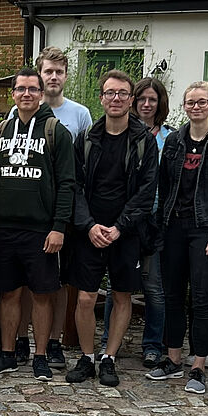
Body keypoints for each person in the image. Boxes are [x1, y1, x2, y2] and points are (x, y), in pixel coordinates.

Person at [147, 81, 208, 395]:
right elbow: (163, 185)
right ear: (184, 106)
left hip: (206, 229)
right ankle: (173, 359)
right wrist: (160, 227)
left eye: (202, 102)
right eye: (190, 102)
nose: (196, 107)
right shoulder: (175, 140)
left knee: (201, 299)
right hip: (174, 226)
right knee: (172, 296)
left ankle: (198, 366)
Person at [0, 67, 75, 381]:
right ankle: (7, 353)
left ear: (41, 93)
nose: (26, 94)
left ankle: (40, 356)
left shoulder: (55, 131)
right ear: (13, 94)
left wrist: (59, 226)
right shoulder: (0, 130)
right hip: (4, 228)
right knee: (8, 293)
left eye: (32, 89)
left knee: (41, 294)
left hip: (41, 229)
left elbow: (67, 183)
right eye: (20, 89)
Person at [66, 70, 158, 387]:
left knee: (121, 295)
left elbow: (146, 191)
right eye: (110, 93)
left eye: (122, 93)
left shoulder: (144, 141)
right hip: (89, 232)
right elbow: (75, 187)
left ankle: (109, 358)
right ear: (102, 98)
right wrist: (89, 225)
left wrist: (119, 227)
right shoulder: (87, 138)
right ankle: (87, 357)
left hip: (126, 232)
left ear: (131, 100)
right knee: (85, 298)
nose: (115, 98)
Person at [11, 46, 91, 368]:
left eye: (59, 72)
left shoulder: (80, 114)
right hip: (29, 214)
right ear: (39, 75)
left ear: (66, 76)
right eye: (48, 71)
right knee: (25, 281)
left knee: (57, 282)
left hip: (63, 212)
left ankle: (54, 341)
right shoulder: (17, 112)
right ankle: (21, 338)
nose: (53, 76)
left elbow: (81, 166)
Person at [102, 76, 171, 367]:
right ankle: (109, 342)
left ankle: (152, 344)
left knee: (153, 286)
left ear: (160, 103)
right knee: (117, 285)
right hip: (124, 221)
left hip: (153, 220)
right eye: (141, 98)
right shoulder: (122, 132)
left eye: (152, 99)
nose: (146, 104)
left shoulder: (170, 138)